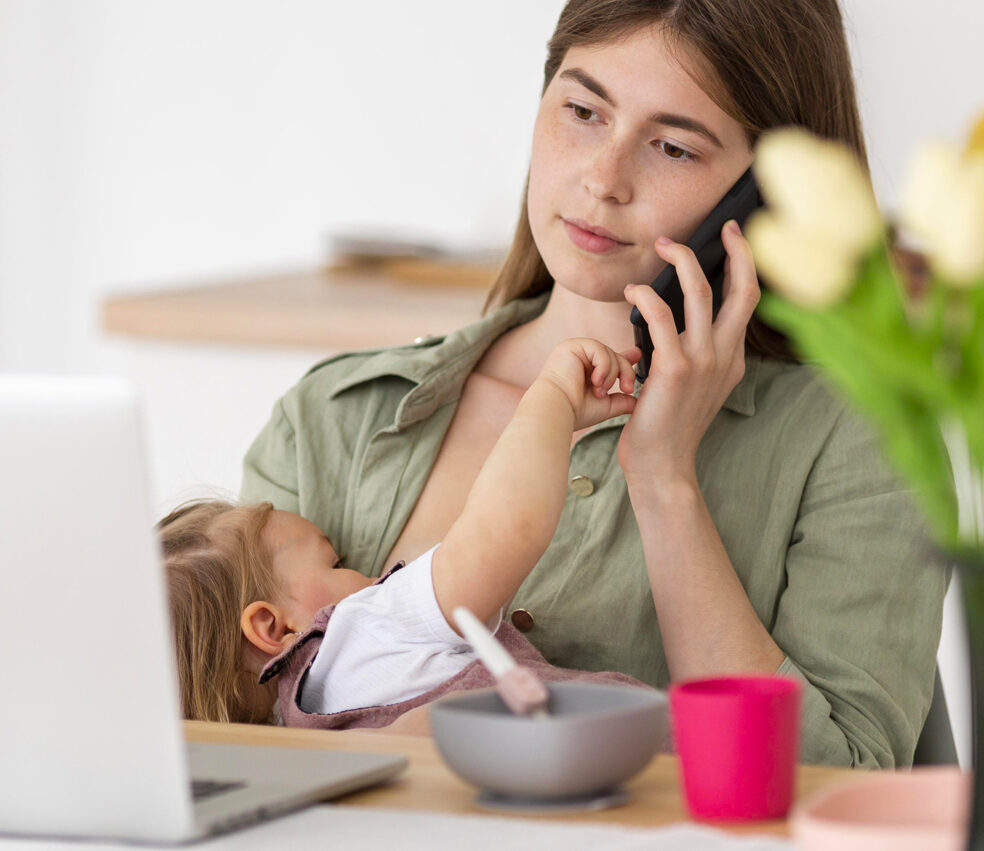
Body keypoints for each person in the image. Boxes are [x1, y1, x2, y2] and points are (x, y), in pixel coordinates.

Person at [239, 0, 949, 767]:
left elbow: (836, 785)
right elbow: (223, 739)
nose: (603, 179)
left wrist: (665, 478)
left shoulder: (863, 441)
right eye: (582, 110)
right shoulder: (330, 419)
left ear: (769, 192)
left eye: (674, 148)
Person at [160, 338, 647, 730]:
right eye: (335, 564)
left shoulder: (299, 730)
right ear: (275, 629)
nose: (369, 573)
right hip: (640, 753)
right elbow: (505, 531)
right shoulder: (361, 628)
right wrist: (553, 401)